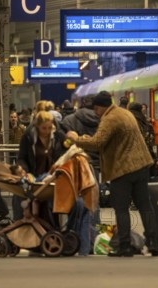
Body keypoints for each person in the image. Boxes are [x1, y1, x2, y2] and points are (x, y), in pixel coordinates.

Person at [66, 91, 158, 257]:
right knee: (144, 205)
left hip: (123, 169)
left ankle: (124, 246)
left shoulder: (109, 118)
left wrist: (76, 138)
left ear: (100, 107)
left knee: (121, 208)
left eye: (96, 109)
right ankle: (153, 243)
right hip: (141, 166)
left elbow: (97, 143)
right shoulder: (125, 113)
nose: (95, 113)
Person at [61, 97, 101, 256]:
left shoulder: (69, 121)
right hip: (95, 166)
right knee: (92, 205)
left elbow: (64, 144)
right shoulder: (102, 121)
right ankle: (91, 241)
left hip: (74, 166)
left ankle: (73, 239)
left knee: (75, 204)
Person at [15, 111, 68, 220]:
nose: (47, 131)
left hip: (52, 177)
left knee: (50, 204)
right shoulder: (28, 137)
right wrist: (24, 170)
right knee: (20, 197)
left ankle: (51, 228)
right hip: (33, 177)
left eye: (50, 127)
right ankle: (21, 226)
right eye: (44, 128)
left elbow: (67, 151)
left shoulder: (58, 136)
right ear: (37, 126)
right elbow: (22, 157)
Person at [128, 102, 158, 178]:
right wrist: (155, 158)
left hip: (129, 162)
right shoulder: (148, 124)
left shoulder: (126, 123)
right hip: (145, 161)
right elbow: (151, 144)